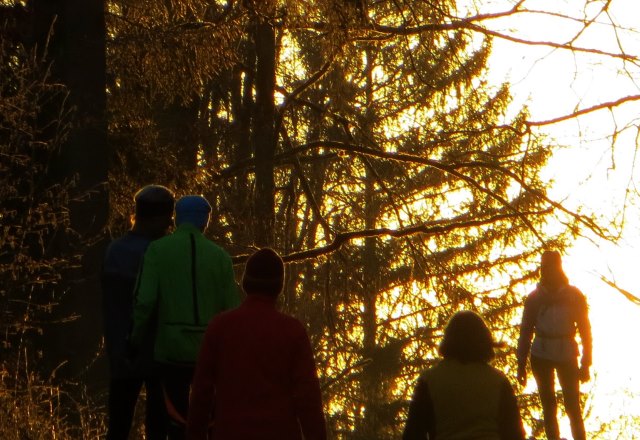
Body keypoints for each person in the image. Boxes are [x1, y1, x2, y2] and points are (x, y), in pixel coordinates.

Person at [186, 248, 327, 440]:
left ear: (246, 283)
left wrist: (195, 434)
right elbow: (308, 400)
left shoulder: (220, 327)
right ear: (279, 286)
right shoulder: (292, 331)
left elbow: (202, 393)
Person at [130, 195, 241, 439]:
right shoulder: (220, 257)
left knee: (165, 423)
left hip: (169, 352)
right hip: (208, 354)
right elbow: (232, 309)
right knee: (208, 424)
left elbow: (144, 301)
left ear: (177, 219)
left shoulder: (157, 251)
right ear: (205, 221)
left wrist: (134, 339)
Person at [102, 184, 174, 440]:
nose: (169, 225)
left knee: (119, 426)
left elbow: (109, 306)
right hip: (157, 354)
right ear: (157, 218)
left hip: (121, 352)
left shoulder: (114, 251)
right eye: (167, 219)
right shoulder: (162, 254)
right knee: (158, 428)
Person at [403, 310, 525, 440]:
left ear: (448, 339)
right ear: (485, 340)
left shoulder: (429, 380)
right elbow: (514, 433)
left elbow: (413, 433)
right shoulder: (498, 381)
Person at [517, 250, 592, 440]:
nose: (546, 270)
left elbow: (585, 330)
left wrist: (586, 363)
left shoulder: (573, 296)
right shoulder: (534, 299)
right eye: (544, 266)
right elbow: (525, 332)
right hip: (541, 354)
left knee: (572, 407)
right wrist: (521, 364)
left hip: (566, 353)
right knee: (549, 407)